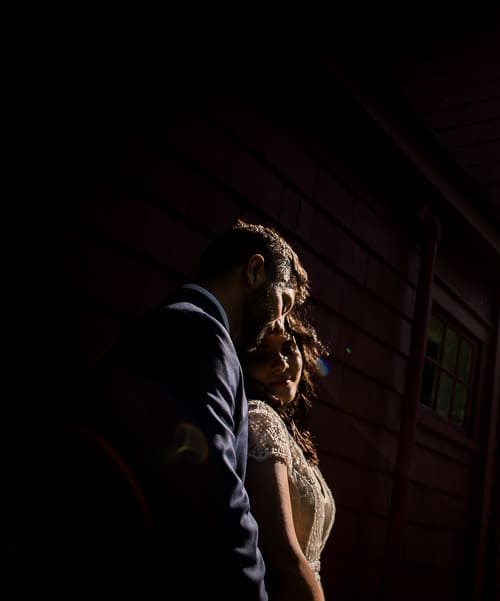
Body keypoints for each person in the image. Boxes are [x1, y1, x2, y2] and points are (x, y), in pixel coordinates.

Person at [64, 220, 307, 601]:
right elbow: (218, 511)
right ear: (254, 270)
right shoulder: (200, 333)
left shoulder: (174, 322)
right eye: (284, 303)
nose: (280, 321)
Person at [242, 311, 335, 601]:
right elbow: (283, 560)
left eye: (287, 347)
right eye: (262, 353)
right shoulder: (260, 418)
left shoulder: (288, 430)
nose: (280, 362)